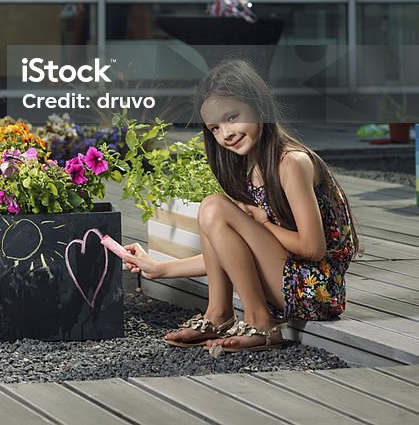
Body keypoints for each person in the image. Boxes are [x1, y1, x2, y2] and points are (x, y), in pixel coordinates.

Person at [123, 58, 359, 354]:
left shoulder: (291, 162)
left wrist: (261, 223)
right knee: (212, 210)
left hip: (316, 291)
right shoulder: (252, 168)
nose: (226, 133)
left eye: (232, 117)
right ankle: (218, 314)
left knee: (214, 207)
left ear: (258, 105)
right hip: (288, 280)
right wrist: (160, 269)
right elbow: (234, 252)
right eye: (215, 128)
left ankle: (260, 321)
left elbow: (313, 248)